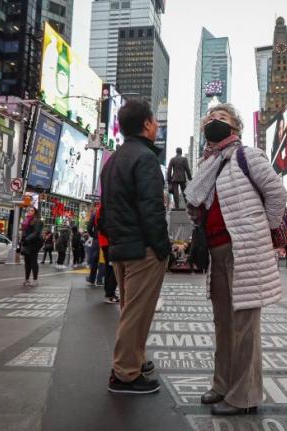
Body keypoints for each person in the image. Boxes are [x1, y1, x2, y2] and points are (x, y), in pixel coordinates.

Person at [185, 103, 287, 416]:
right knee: (224, 324)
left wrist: (263, 228)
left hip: (244, 250)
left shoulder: (246, 155)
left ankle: (244, 397)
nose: (214, 121)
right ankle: (222, 385)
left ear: (235, 128)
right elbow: (196, 203)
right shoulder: (206, 165)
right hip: (217, 252)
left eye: (222, 118)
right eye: (210, 118)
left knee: (245, 326)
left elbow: (277, 194)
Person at [100, 99, 171, 394]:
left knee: (132, 309)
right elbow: (151, 208)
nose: (157, 125)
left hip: (120, 248)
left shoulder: (113, 160)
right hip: (143, 249)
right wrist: (163, 247)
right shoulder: (145, 159)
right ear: (145, 124)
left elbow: (106, 209)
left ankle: (135, 359)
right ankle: (125, 374)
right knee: (136, 313)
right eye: (154, 120)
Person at [20, 207, 44, 287]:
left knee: (33, 261)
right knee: (27, 262)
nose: (30, 212)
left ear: (35, 212)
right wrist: (21, 242)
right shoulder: (26, 220)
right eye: (28, 210)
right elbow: (24, 232)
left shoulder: (38, 221)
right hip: (27, 243)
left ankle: (35, 280)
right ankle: (27, 280)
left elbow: (36, 232)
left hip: (34, 243)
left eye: (32, 210)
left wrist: (27, 239)